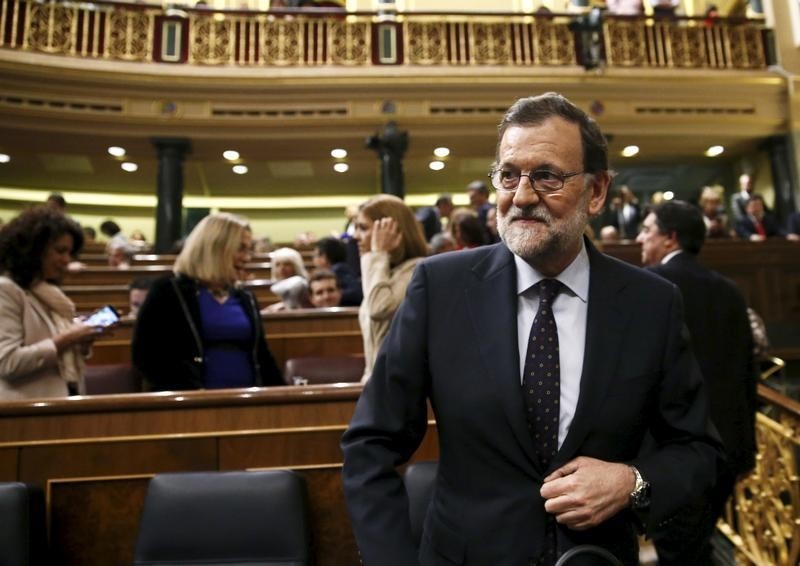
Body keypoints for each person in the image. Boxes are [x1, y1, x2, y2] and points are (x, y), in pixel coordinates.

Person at [341, 92, 721, 566]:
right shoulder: (441, 289)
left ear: (596, 191)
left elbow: (698, 451)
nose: (521, 196)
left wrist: (632, 482)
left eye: (547, 176)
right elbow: (370, 445)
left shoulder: (650, 303)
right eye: (508, 175)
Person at [636, 201, 757, 565]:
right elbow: (744, 374)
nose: (640, 238)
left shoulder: (649, 288)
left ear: (670, 238)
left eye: (648, 229)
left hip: (670, 453)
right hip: (727, 450)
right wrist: (746, 451)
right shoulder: (730, 290)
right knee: (695, 546)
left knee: (678, 550)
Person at [132, 212, 282, 391]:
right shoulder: (168, 291)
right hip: (190, 408)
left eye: (248, 250)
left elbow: (262, 355)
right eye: (240, 248)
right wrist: (191, 395)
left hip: (248, 403)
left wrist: (286, 397)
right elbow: (145, 356)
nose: (247, 257)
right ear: (215, 248)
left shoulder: (245, 297)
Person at [0, 206, 104, 399]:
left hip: (60, 401)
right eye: (60, 251)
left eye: (70, 253)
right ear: (34, 249)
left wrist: (81, 341)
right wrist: (69, 338)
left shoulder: (46, 292)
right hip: (25, 410)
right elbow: (8, 363)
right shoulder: (6, 290)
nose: (67, 260)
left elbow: (56, 351)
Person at [353, 194, 428, 382]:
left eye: (363, 228)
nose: (355, 236)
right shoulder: (386, 270)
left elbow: (379, 308)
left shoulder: (417, 270)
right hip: (378, 382)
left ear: (391, 229)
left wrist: (378, 253)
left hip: (400, 385)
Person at [312, 236, 362, 306]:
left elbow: (355, 293)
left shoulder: (339, 270)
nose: (314, 260)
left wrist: (335, 294)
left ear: (324, 257)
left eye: (315, 256)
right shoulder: (339, 268)